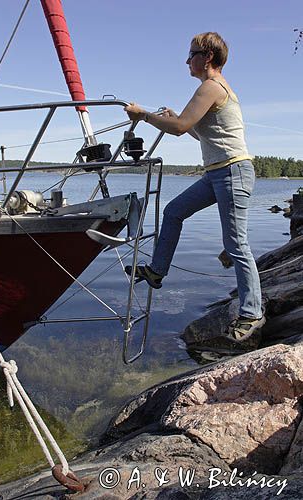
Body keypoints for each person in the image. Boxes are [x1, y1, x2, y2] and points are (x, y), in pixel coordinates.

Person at [124, 31, 265, 346]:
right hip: (218, 173)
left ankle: (252, 314)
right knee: (174, 211)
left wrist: (143, 115)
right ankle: (157, 272)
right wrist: (177, 120)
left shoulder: (210, 87)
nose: (187, 60)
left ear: (208, 57)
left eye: (192, 54)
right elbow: (200, 133)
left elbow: (179, 129)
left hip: (232, 172)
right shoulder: (214, 89)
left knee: (236, 245)